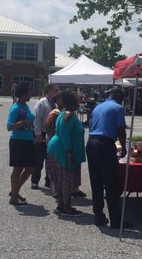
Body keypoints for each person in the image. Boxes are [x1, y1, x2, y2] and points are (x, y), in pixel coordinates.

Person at [86, 86, 132, 228]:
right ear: (118, 96)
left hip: (91, 143)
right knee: (111, 182)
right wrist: (123, 147)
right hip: (105, 145)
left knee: (96, 180)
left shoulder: (98, 107)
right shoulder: (117, 108)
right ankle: (116, 220)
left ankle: (99, 216)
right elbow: (120, 130)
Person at [47, 90, 86, 216]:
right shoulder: (68, 114)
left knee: (61, 180)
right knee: (66, 180)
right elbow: (64, 133)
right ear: (73, 102)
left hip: (58, 149)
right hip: (62, 151)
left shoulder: (65, 113)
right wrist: (69, 152)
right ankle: (67, 208)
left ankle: (62, 205)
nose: (80, 102)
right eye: (78, 100)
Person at [7, 82, 36, 205]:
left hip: (28, 141)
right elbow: (9, 127)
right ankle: (14, 197)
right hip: (18, 141)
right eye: (29, 92)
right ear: (24, 94)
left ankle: (15, 191)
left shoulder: (25, 106)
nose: (31, 94)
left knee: (30, 168)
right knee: (17, 169)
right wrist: (23, 122)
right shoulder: (16, 108)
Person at [32, 83, 59, 190]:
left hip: (52, 134)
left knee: (50, 159)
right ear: (49, 91)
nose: (57, 92)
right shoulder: (42, 103)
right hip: (42, 133)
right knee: (39, 159)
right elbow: (37, 119)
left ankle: (49, 181)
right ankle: (34, 181)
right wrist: (38, 134)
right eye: (55, 90)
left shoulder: (56, 103)